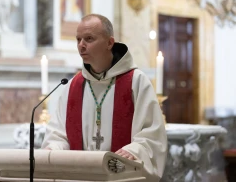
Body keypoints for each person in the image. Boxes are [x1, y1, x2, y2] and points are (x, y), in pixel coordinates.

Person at [41, 14, 167, 181]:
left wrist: (134, 150)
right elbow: (58, 134)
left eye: (89, 39)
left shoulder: (136, 81)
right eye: (78, 39)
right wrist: (53, 149)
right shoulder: (73, 86)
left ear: (109, 43)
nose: (81, 45)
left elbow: (152, 134)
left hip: (120, 176)